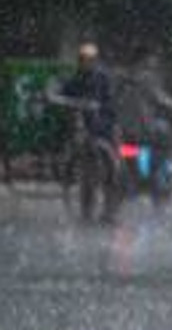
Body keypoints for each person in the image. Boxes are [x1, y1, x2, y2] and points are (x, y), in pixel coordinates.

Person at [49, 42, 121, 223]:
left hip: (104, 127)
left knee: (113, 168)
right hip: (84, 130)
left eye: (90, 60)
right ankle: (86, 210)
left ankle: (110, 211)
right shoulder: (76, 78)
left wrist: (100, 110)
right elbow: (63, 91)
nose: (86, 63)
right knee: (87, 171)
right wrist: (57, 97)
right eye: (83, 60)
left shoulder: (103, 78)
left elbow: (110, 103)